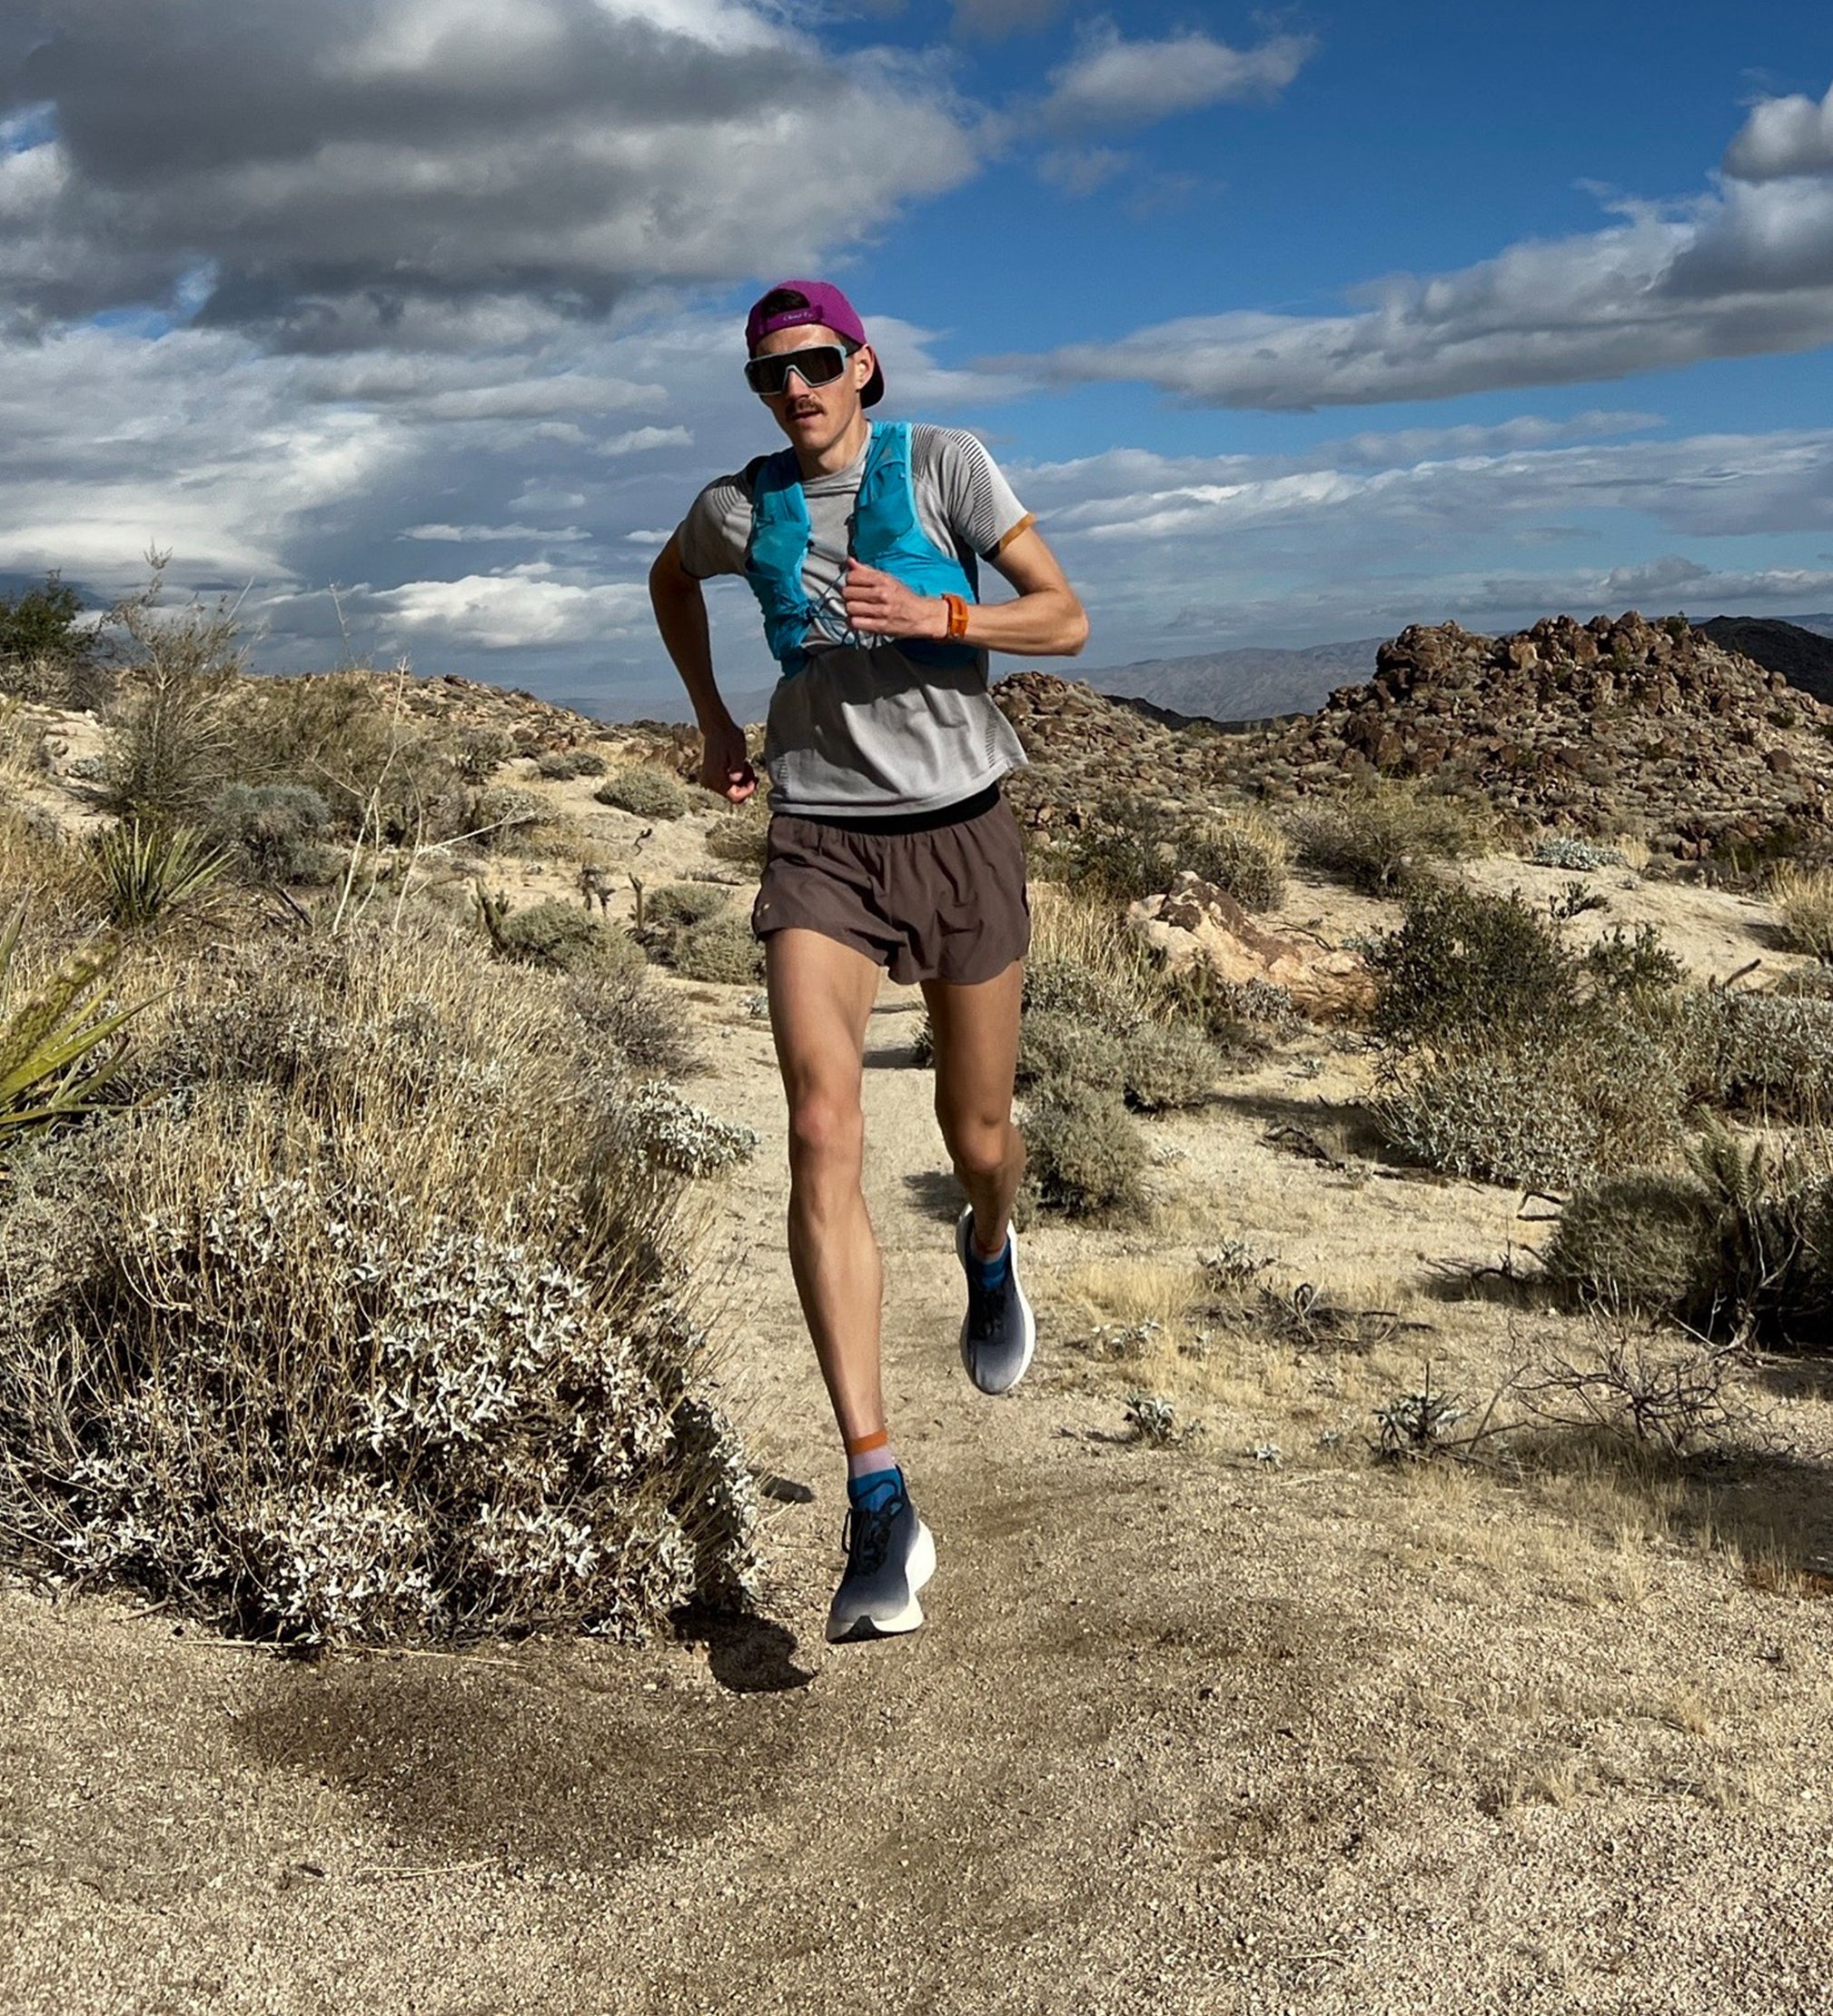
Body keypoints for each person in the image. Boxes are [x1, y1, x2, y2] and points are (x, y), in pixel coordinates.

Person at [649, 280, 1088, 1643]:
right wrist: (717, 726)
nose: (794, 388)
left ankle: (991, 1241)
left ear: (863, 366)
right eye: (768, 373)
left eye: (815, 363)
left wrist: (943, 620)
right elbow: (671, 579)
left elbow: (1063, 618)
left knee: (977, 1131)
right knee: (820, 1129)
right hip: (820, 845)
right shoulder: (739, 507)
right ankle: (878, 1494)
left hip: (961, 833)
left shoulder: (944, 466)